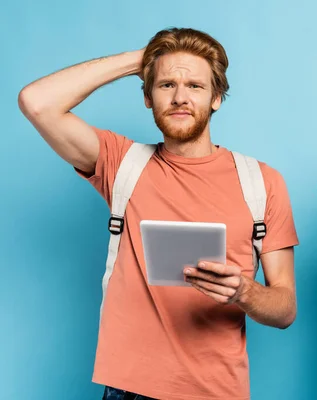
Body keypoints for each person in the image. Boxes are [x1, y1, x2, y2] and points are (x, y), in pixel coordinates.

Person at [18, 27, 299, 400]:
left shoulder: (261, 182)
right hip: (127, 389)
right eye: (166, 85)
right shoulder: (121, 164)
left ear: (216, 98)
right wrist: (146, 59)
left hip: (217, 392)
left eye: (195, 86)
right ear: (147, 97)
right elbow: (36, 101)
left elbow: (285, 309)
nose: (180, 98)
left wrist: (244, 292)